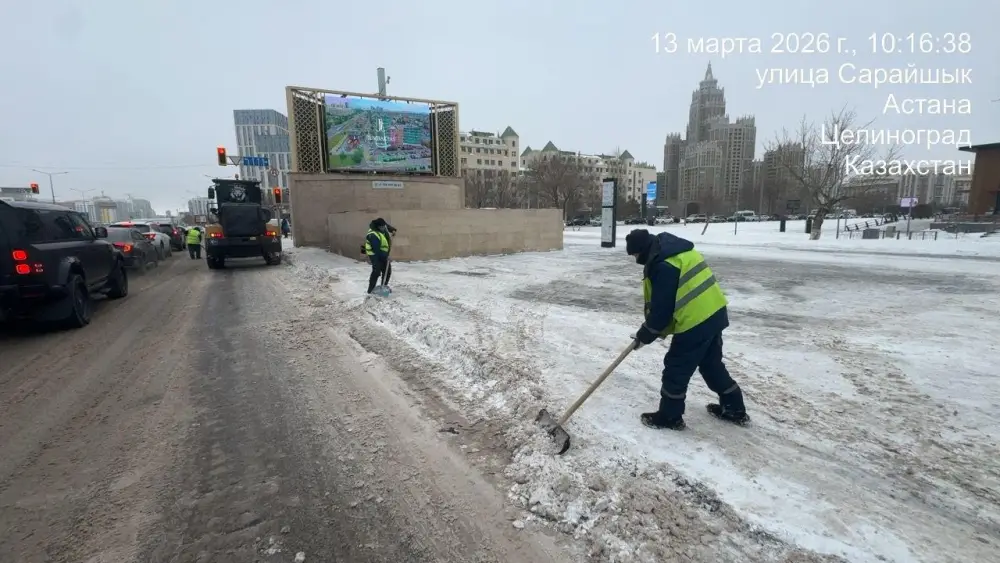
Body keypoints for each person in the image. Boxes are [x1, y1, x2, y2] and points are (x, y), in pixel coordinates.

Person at [625, 228, 748, 430]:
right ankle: (734, 407)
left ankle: (670, 417)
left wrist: (645, 334)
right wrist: (650, 333)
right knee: (711, 364)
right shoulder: (676, 252)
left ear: (643, 250)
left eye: (636, 255)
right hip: (715, 312)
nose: (636, 259)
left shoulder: (664, 266)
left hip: (696, 321)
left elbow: (662, 312)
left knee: (677, 367)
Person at [363, 218, 396, 294]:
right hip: (374, 254)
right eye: (382, 227)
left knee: (387, 271)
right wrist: (386, 257)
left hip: (383, 253)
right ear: (378, 227)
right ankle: (370, 290)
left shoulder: (382, 226)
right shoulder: (373, 235)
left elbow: (386, 225)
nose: (384, 228)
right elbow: (376, 250)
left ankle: (383, 287)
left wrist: (392, 230)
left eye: (384, 226)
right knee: (376, 271)